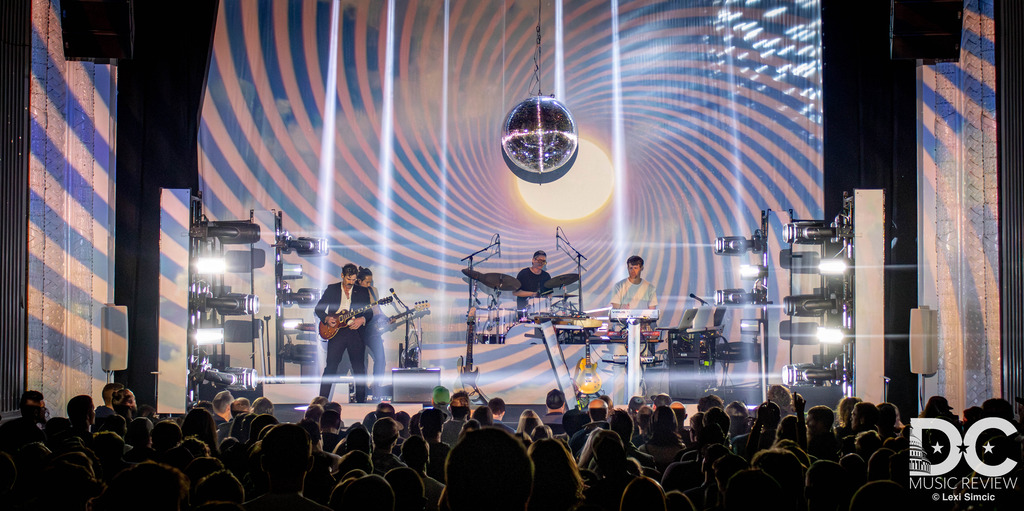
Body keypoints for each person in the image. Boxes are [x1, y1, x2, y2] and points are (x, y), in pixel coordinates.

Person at [315, 263, 373, 402]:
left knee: (359, 368)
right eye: (349, 279)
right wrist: (327, 318)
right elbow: (318, 309)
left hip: (354, 332)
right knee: (330, 367)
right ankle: (321, 402)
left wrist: (362, 319)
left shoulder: (362, 291)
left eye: (353, 280)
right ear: (342, 276)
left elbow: (369, 311)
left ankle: (360, 402)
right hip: (336, 332)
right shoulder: (332, 289)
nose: (351, 283)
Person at [356, 266, 388, 399]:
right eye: (367, 282)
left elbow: (377, 309)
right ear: (359, 281)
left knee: (380, 359)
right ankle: (360, 391)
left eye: (371, 282)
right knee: (360, 361)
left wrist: (386, 318)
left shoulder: (373, 291)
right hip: (359, 328)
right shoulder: (354, 292)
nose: (370, 284)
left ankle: (376, 387)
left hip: (372, 328)